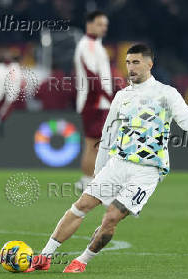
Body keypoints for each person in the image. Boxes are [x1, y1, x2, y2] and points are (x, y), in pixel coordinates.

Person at [25, 44, 188, 273]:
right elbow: (108, 135)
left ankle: (82, 260)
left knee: (111, 218)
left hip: (147, 170)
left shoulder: (166, 94)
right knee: (81, 205)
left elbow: (187, 120)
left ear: (150, 64)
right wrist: (98, 170)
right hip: (117, 164)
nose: (131, 67)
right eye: (128, 63)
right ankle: (45, 256)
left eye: (136, 62)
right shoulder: (122, 96)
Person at [74, 10, 113, 191]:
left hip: (98, 100)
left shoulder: (95, 45)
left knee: (97, 144)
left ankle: (88, 180)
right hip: (94, 101)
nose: (103, 28)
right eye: (99, 24)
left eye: (105, 25)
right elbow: (91, 75)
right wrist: (108, 97)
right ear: (89, 25)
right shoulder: (88, 45)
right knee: (93, 144)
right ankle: (86, 180)